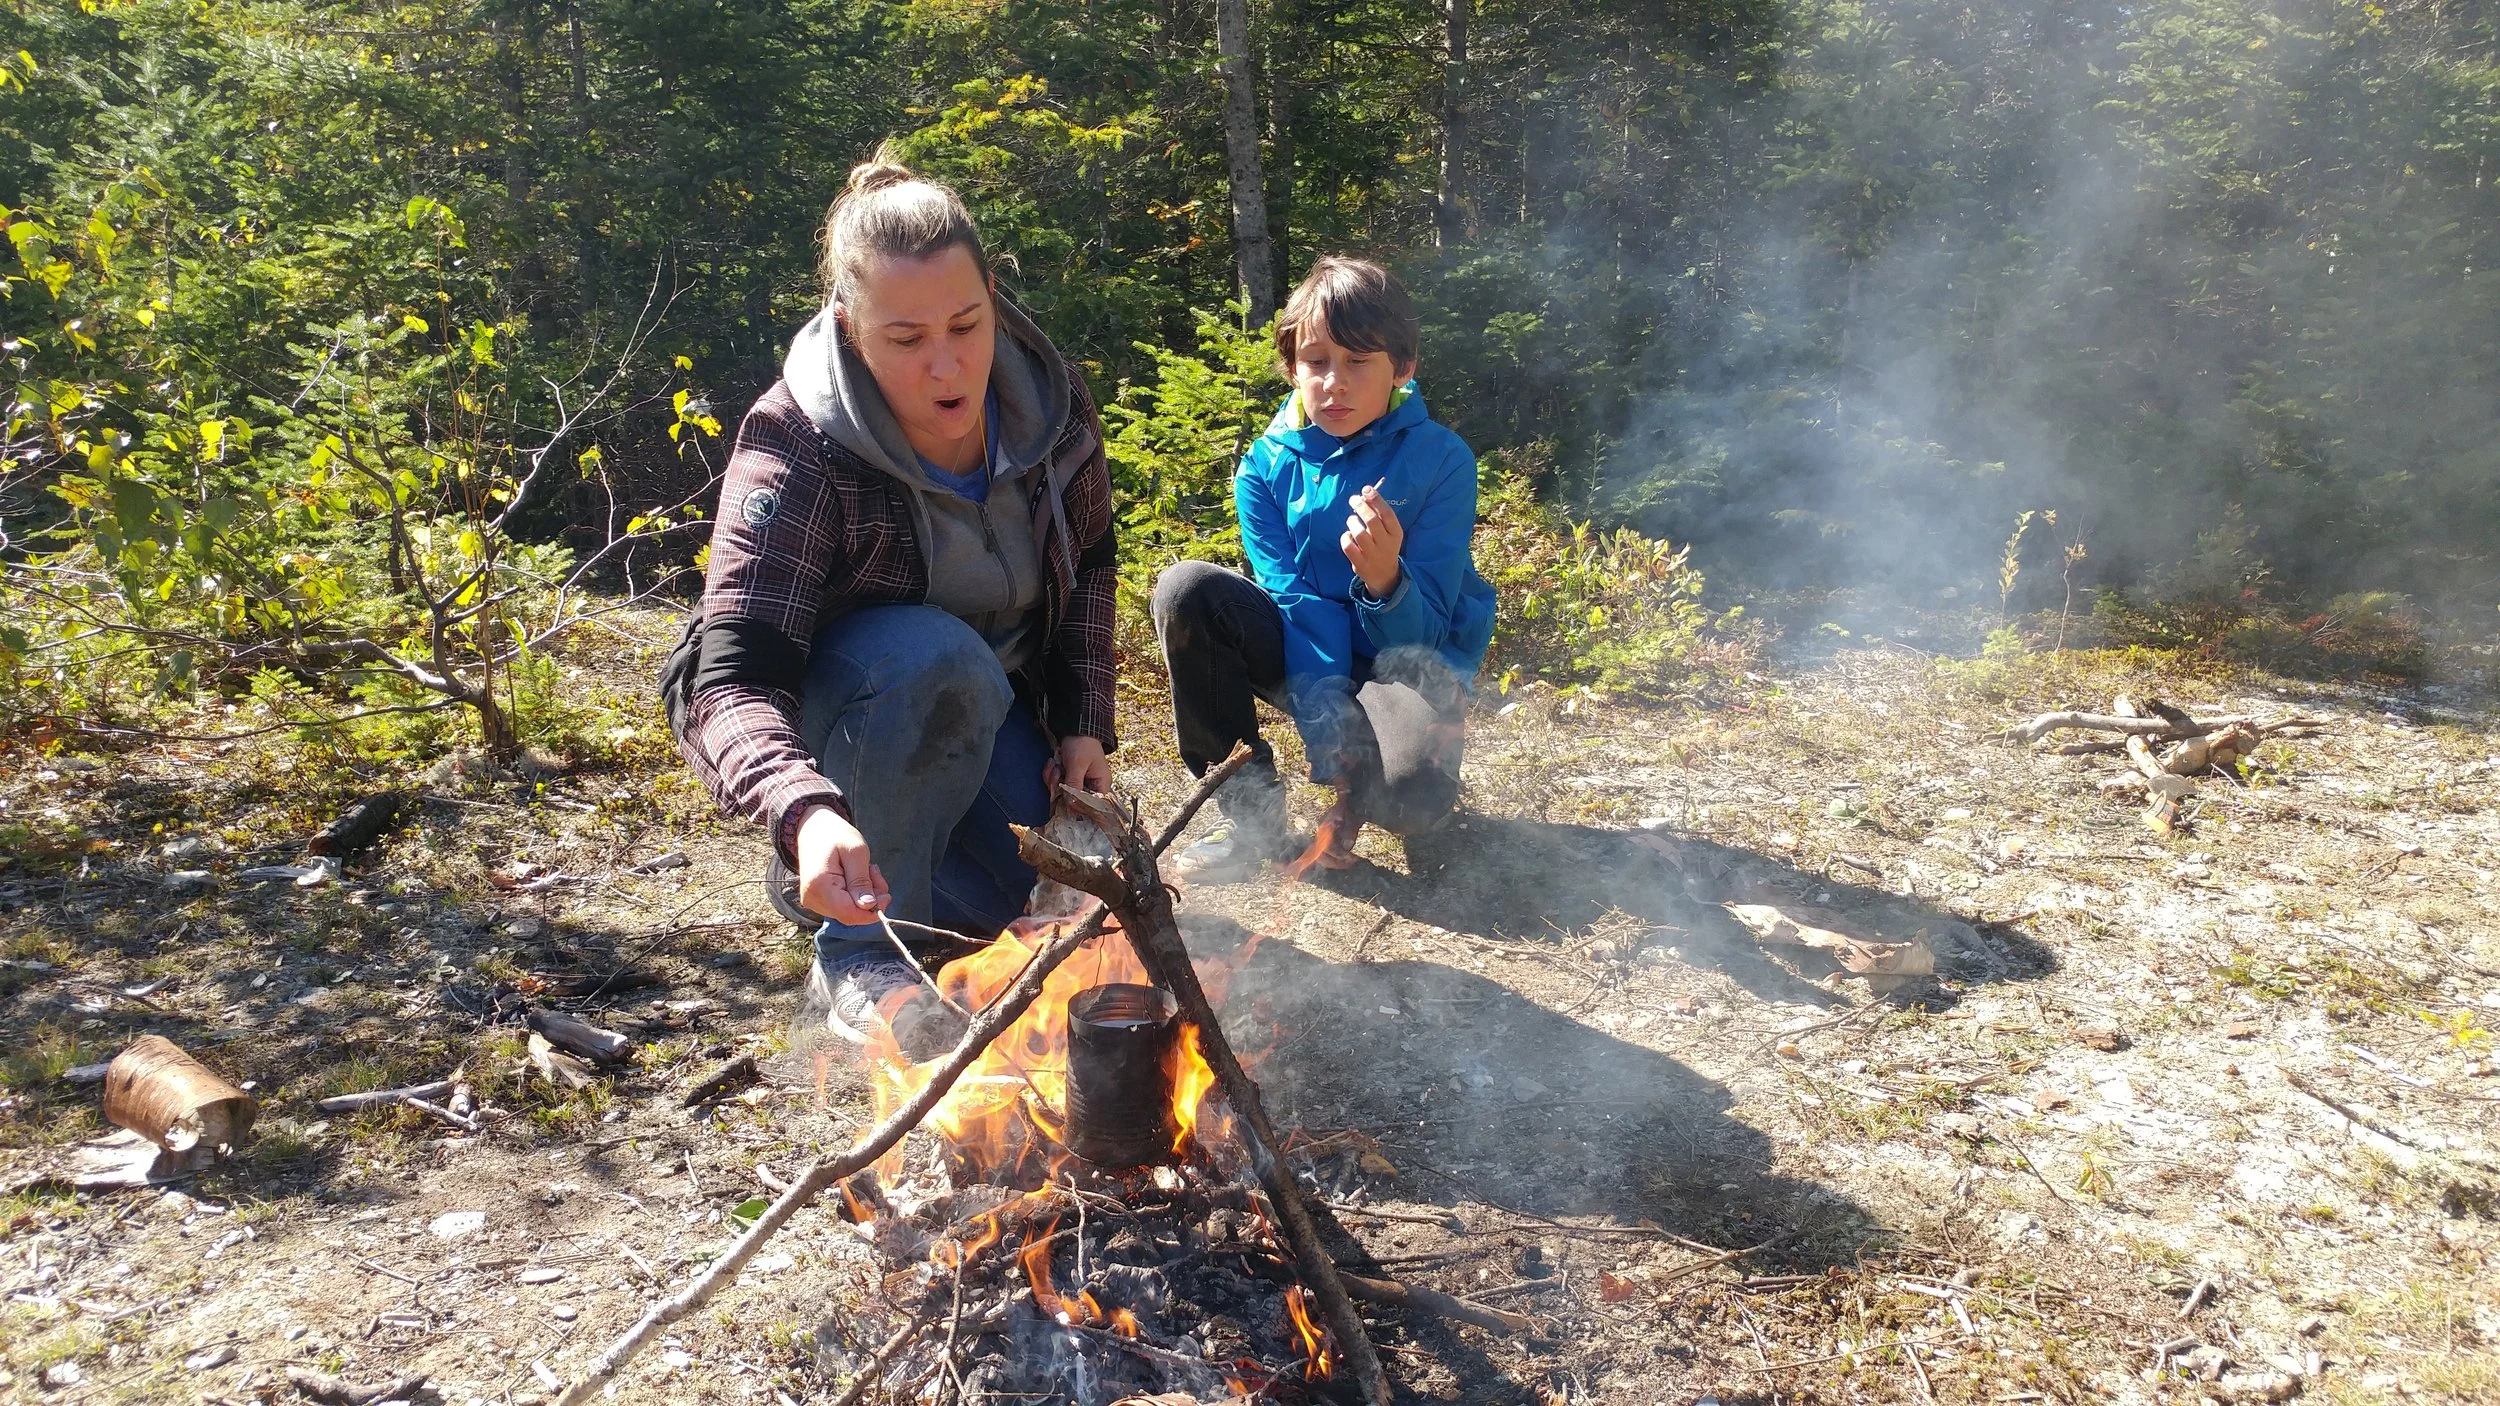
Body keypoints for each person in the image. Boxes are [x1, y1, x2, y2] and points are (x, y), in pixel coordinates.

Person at [662, 146, 1118, 1061]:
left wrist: (1083, 724)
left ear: (993, 293)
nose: (948, 367)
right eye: (906, 340)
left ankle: (831, 878)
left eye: (967, 323)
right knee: (933, 659)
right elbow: (730, 681)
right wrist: (803, 808)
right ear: (849, 325)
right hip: (850, 700)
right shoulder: (796, 441)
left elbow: (1093, 562)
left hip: (980, 709)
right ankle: (857, 950)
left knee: (1035, 912)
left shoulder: (1053, 405)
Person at [1152, 257, 1496, 881]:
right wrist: (1332, 745)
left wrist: (1385, 581)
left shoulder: (1443, 461)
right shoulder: (1264, 467)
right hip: (1307, 646)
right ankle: (1251, 823)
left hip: (1402, 664)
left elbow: (1427, 639)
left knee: (1413, 797)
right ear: (1292, 367)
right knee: (1188, 590)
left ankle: (1399, 773)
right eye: (1316, 361)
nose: (1334, 382)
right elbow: (1293, 604)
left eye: (1359, 361)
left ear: (1404, 367)